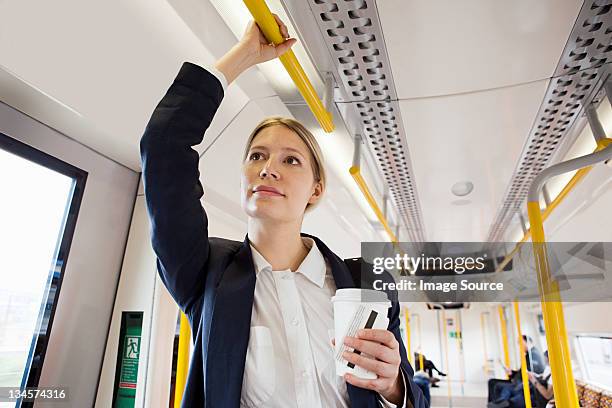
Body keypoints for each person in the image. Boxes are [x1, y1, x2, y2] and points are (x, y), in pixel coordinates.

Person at [139, 14, 427, 408]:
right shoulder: (204, 273)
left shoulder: (368, 282)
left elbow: (410, 399)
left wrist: (393, 386)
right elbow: (164, 145)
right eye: (257, 156)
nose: (268, 167)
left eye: (291, 161)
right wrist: (243, 56)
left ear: (316, 190)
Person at [487, 336, 545, 407]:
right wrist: (512, 373)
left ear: (528, 342)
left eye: (520, 343)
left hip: (520, 384)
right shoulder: (528, 355)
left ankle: (499, 402)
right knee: (492, 382)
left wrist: (516, 381)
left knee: (497, 385)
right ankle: (497, 403)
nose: (519, 346)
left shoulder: (533, 355)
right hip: (517, 381)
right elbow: (521, 372)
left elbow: (529, 374)